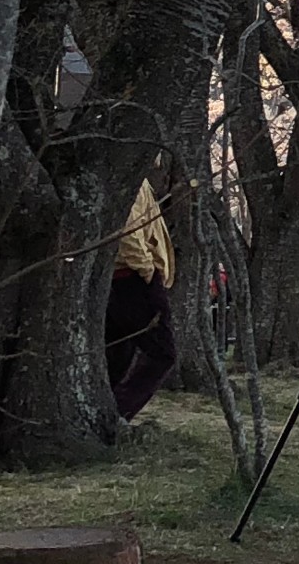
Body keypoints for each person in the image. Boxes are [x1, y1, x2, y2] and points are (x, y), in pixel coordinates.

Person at [105, 178, 178, 421]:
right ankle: (116, 415)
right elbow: (127, 230)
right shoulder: (131, 178)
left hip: (121, 278)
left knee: (117, 354)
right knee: (162, 353)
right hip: (133, 279)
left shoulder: (137, 176)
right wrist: (147, 270)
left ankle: (105, 411)